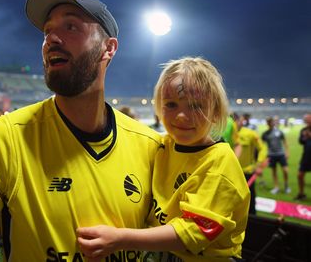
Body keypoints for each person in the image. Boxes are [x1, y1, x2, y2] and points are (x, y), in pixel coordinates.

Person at [0, 0, 162, 261]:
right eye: (47, 30)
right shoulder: (6, 138)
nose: (51, 38)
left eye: (71, 27)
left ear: (108, 48)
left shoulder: (150, 146)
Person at [77, 57, 250, 261]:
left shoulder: (219, 163)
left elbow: (192, 233)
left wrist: (121, 238)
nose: (181, 116)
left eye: (196, 106)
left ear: (216, 112)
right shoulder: (160, 145)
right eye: (171, 104)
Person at [234, 113, 267, 214]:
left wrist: (259, 164)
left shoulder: (250, 133)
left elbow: (263, 148)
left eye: (236, 120)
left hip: (247, 172)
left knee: (250, 203)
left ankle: (253, 222)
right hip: (230, 173)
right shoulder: (224, 134)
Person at [262, 116, 291, 194]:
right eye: (268, 122)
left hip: (281, 154)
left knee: (285, 171)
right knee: (274, 171)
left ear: (273, 122)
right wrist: (264, 155)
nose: (270, 123)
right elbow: (262, 146)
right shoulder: (265, 134)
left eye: (271, 122)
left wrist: (287, 152)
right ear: (267, 123)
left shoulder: (279, 131)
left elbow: (285, 141)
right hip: (271, 155)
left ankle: (286, 186)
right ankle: (276, 187)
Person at [295, 113, 311, 200]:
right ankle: (301, 193)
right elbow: (301, 141)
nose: (307, 121)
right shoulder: (303, 130)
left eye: (308, 119)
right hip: (306, 156)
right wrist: (304, 137)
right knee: (300, 175)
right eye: (306, 119)